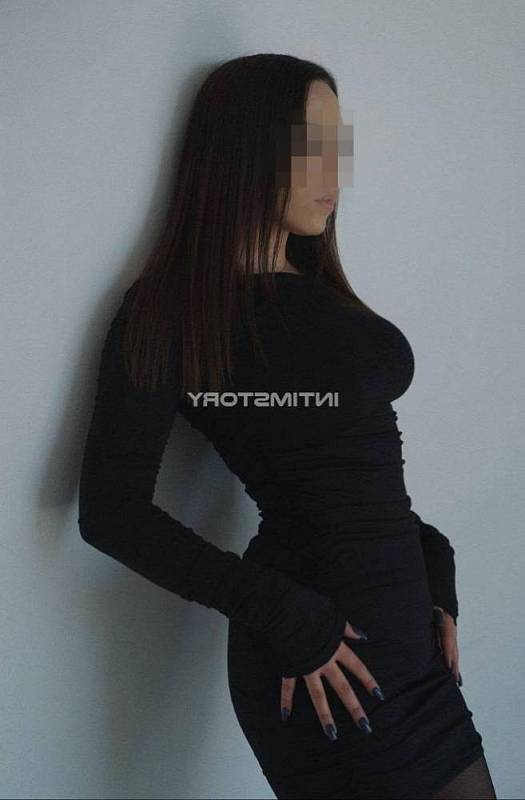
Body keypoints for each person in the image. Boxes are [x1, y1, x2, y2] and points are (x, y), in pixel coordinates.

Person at [77, 54, 496, 799]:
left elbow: (353, 472)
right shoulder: (171, 311)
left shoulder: (321, 291)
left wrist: (432, 563)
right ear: (248, 148)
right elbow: (111, 511)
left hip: (407, 645)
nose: (336, 172)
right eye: (313, 148)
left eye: (340, 148)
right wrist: (284, 614)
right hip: (323, 662)